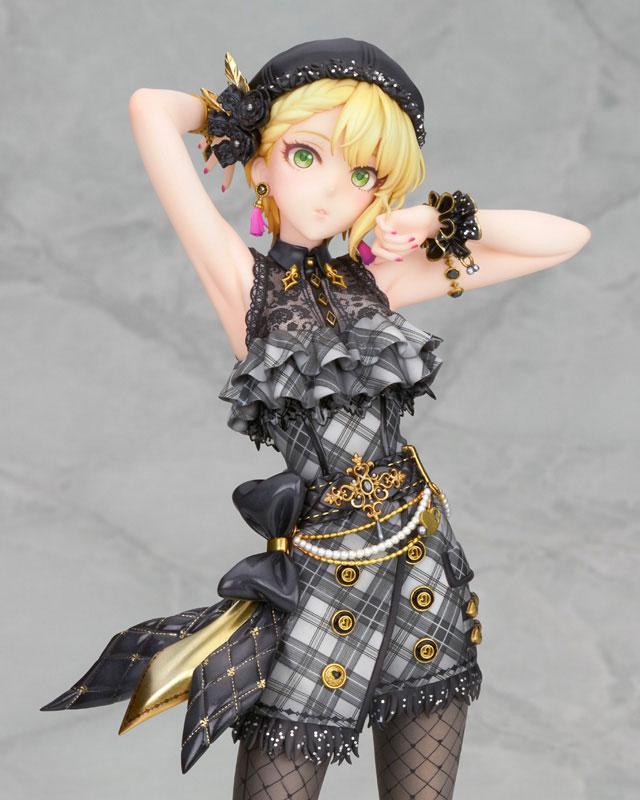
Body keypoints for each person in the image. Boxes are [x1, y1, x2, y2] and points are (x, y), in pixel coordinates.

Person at [41, 38, 591, 800]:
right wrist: (246, 116)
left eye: (363, 174)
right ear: (261, 161)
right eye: (307, 155)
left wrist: (432, 215)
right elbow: (150, 111)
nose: (334, 191)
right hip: (321, 577)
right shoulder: (245, 286)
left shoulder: (378, 281)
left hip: (423, 558)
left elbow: (563, 239)